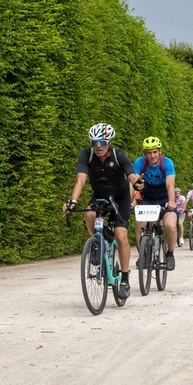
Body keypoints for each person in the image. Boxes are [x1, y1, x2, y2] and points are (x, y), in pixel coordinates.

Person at [64, 122, 138, 300]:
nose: (98, 146)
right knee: (89, 213)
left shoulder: (118, 155)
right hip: (100, 196)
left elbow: (131, 173)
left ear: (109, 142)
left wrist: (136, 182)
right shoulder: (86, 155)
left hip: (120, 199)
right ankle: (99, 243)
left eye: (103, 142)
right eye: (95, 141)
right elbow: (81, 180)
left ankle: (125, 280)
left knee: (121, 235)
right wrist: (73, 201)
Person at [132, 137, 178, 269]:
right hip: (148, 199)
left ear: (160, 151)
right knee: (139, 222)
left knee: (170, 225)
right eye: (149, 153)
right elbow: (132, 183)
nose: (152, 156)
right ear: (145, 154)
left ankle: (170, 253)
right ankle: (143, 254)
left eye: (155, 152)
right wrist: (130, 202)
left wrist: (171, 201)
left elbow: (170, 184)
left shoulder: (167, 163)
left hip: (165, 199)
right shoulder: (140, 163)